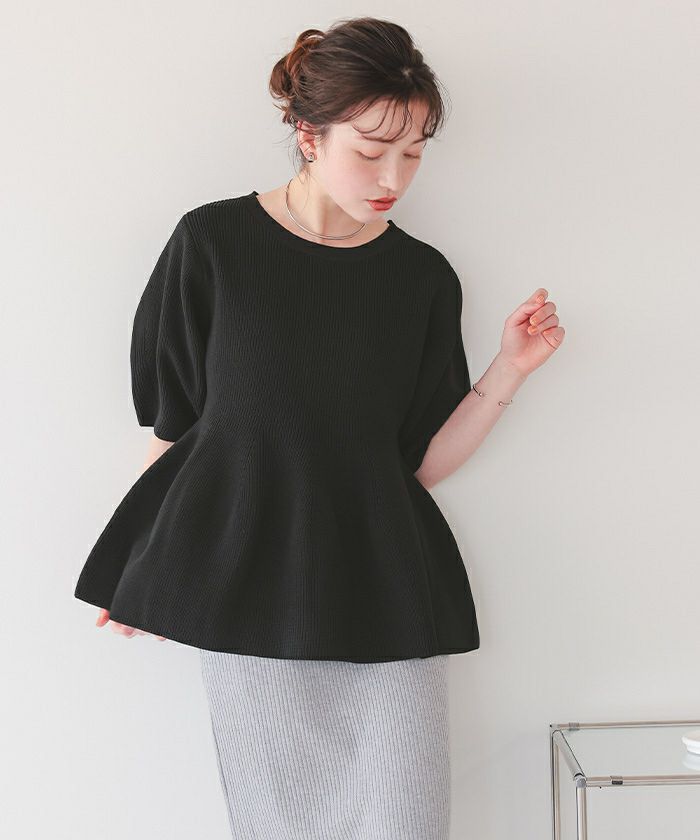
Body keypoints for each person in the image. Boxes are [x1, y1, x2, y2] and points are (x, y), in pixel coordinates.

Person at [74, 16, 565, 840]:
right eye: (371, 151)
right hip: (250, 590)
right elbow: (179, 432)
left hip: (385, 587)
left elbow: (416, 463)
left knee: (406, 823)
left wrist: (510, 370)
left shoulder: (421, 277)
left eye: (413, 152)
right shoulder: (212, 244)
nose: (394, 177)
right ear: (309, 135)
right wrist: (147, 569)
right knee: (277, 824)